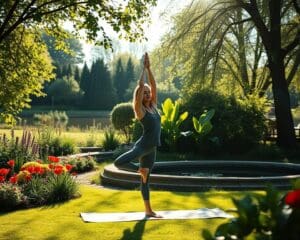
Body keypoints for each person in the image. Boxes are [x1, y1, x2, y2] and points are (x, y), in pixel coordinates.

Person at [114, 52, 162, 218]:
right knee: (119, 162)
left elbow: (153, 85)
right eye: (145, 93)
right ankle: (139, 169)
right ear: (141, 96)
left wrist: (149, 69)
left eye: (149, 93)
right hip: (142, 147)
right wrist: (142, 70)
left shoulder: (154, 106)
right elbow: (142, 86)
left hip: (152, 149)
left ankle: (148, 210)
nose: (148, 94)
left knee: (145, 181)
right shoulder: (140, 111)